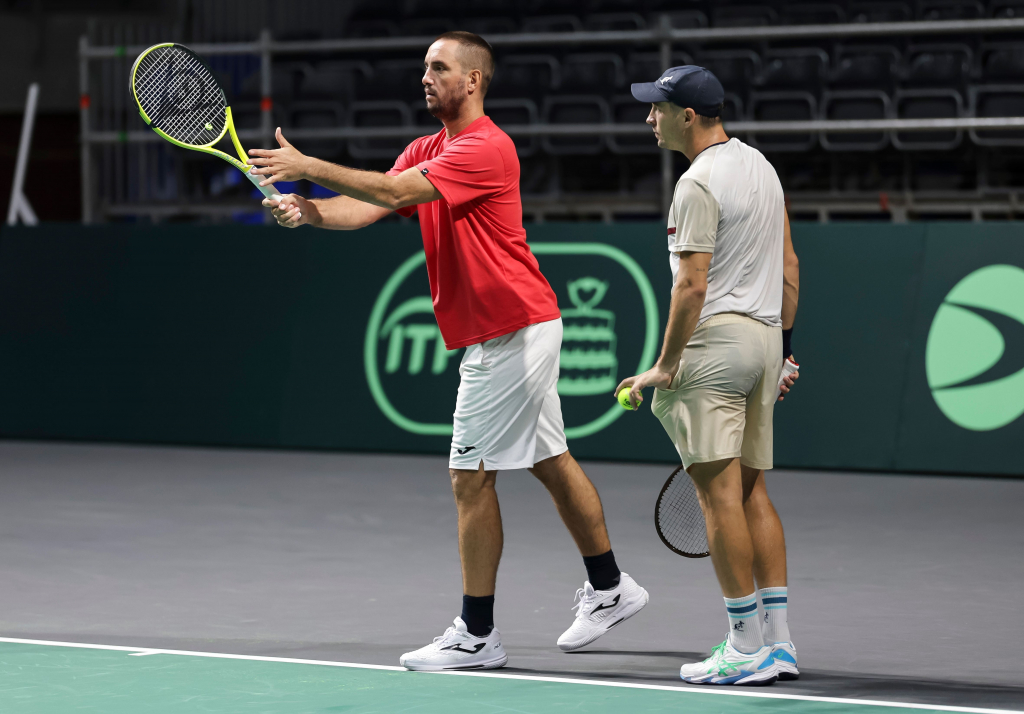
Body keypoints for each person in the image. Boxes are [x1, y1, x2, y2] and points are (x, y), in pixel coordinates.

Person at [245, 31, 648, 671]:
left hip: (510, 329)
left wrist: (308, 167)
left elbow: (395, 193)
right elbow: (367, 206)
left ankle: (477, 634)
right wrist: (308, 210)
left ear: (473, 80)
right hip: (518, 326)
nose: (426, 77)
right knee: (550, 460)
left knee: (470, 475)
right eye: (424, 67)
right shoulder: (425, 148)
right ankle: (610, 587)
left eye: (439, 67)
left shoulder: (487, 147)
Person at [616, 65, 801, 686]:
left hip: (715, 346)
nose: (650, 117)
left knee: (719, 498)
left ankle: (744, 645)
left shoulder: (696, 183)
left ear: (687, 116)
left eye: (658, 108)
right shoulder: (763, 168)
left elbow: (692, 285)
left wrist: (665, 365)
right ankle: (779, 643)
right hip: (765, 341)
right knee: (753, 493)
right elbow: (790, 266)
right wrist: (785, 351)